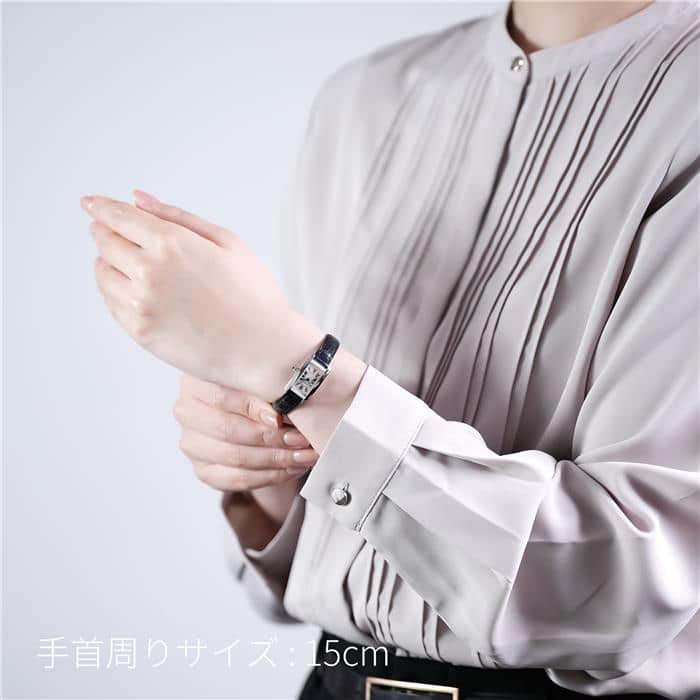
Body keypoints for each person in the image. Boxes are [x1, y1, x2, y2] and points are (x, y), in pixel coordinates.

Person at [81, 1, 700, 698]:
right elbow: (316, 536)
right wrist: (262, 457)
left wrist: (297, 369)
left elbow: (626, 592)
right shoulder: (365, 99)